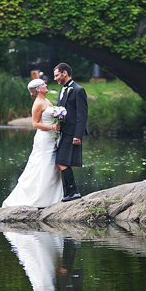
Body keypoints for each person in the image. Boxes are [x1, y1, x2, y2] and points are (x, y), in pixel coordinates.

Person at [2, 78, 63, 208]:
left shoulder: (46, 100)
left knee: (52, 165)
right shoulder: (37, 103)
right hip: (44, 138)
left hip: (52, 137)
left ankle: (52, 198)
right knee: (43, 165)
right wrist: (52, 127)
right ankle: (38, 198)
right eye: (43, 84)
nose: (46, 85)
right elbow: (35, 124)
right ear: (37, 89)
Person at [54, 63, 88, 202]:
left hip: (72, 133)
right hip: (64, 132)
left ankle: (74, 191)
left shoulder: (78, 90)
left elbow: (82, 115)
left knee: (62, 162)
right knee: (65, 163)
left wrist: (77, 135)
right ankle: (69, 193)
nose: (55, 78)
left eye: (57, 75)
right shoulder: (63, 90)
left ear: (65, 73)